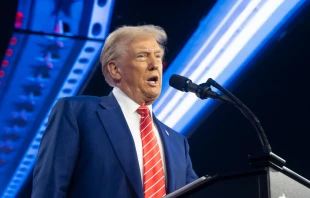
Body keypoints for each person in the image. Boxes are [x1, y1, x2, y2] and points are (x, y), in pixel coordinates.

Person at [32, 24, 198, 198]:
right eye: (142, 56)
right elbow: (48, 190)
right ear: (115, 69)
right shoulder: (78, 113)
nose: (154, 65)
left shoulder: (178, 143)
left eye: (158, 56)